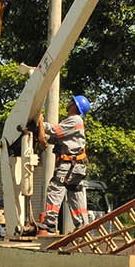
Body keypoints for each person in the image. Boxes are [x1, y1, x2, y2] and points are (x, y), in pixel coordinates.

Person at [37, 94, 91, 236]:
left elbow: (55, 131)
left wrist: (40, 122)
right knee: (74, 192)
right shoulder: (74, 121)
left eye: (71, 101)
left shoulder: (74, 120)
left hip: (69, 165)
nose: (69, 103)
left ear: (75, 105)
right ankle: (83, 225)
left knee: (56, 187)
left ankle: (49, 222)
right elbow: (54, 138)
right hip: (76, 165)